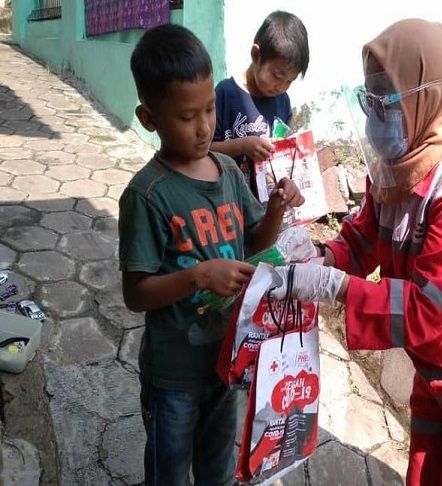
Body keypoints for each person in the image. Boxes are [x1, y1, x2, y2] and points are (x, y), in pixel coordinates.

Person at [270, 19, 442, 485]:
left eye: (387, 100)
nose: (376, 115)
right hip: (437, 365)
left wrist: (333, 286)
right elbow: (363, 241)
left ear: (429, 98)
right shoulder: (395, 168)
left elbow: (428, 308)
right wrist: (318, 257)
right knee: (423, 472)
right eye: (369, 98)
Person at [119, 24, 303, 485]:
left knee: (217, 470)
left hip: (227, 361)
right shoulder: (147, 195)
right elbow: (136, 294)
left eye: (209, 110)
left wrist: (276, 207)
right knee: (169, 472)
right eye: (187, 116)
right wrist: (199, 276)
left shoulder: (227, 172)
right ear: (149, 118)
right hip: (174, 376)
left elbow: (257, 242)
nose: (204, 127)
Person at [210, 10, 309, 196]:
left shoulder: (283, 101)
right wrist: (242, 146)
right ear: (256, 55)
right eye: (277, 76)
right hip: (228, 200)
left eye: (290, 81)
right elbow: (206, 150)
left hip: (266, 204)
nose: (281, 86)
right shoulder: (225, 93)